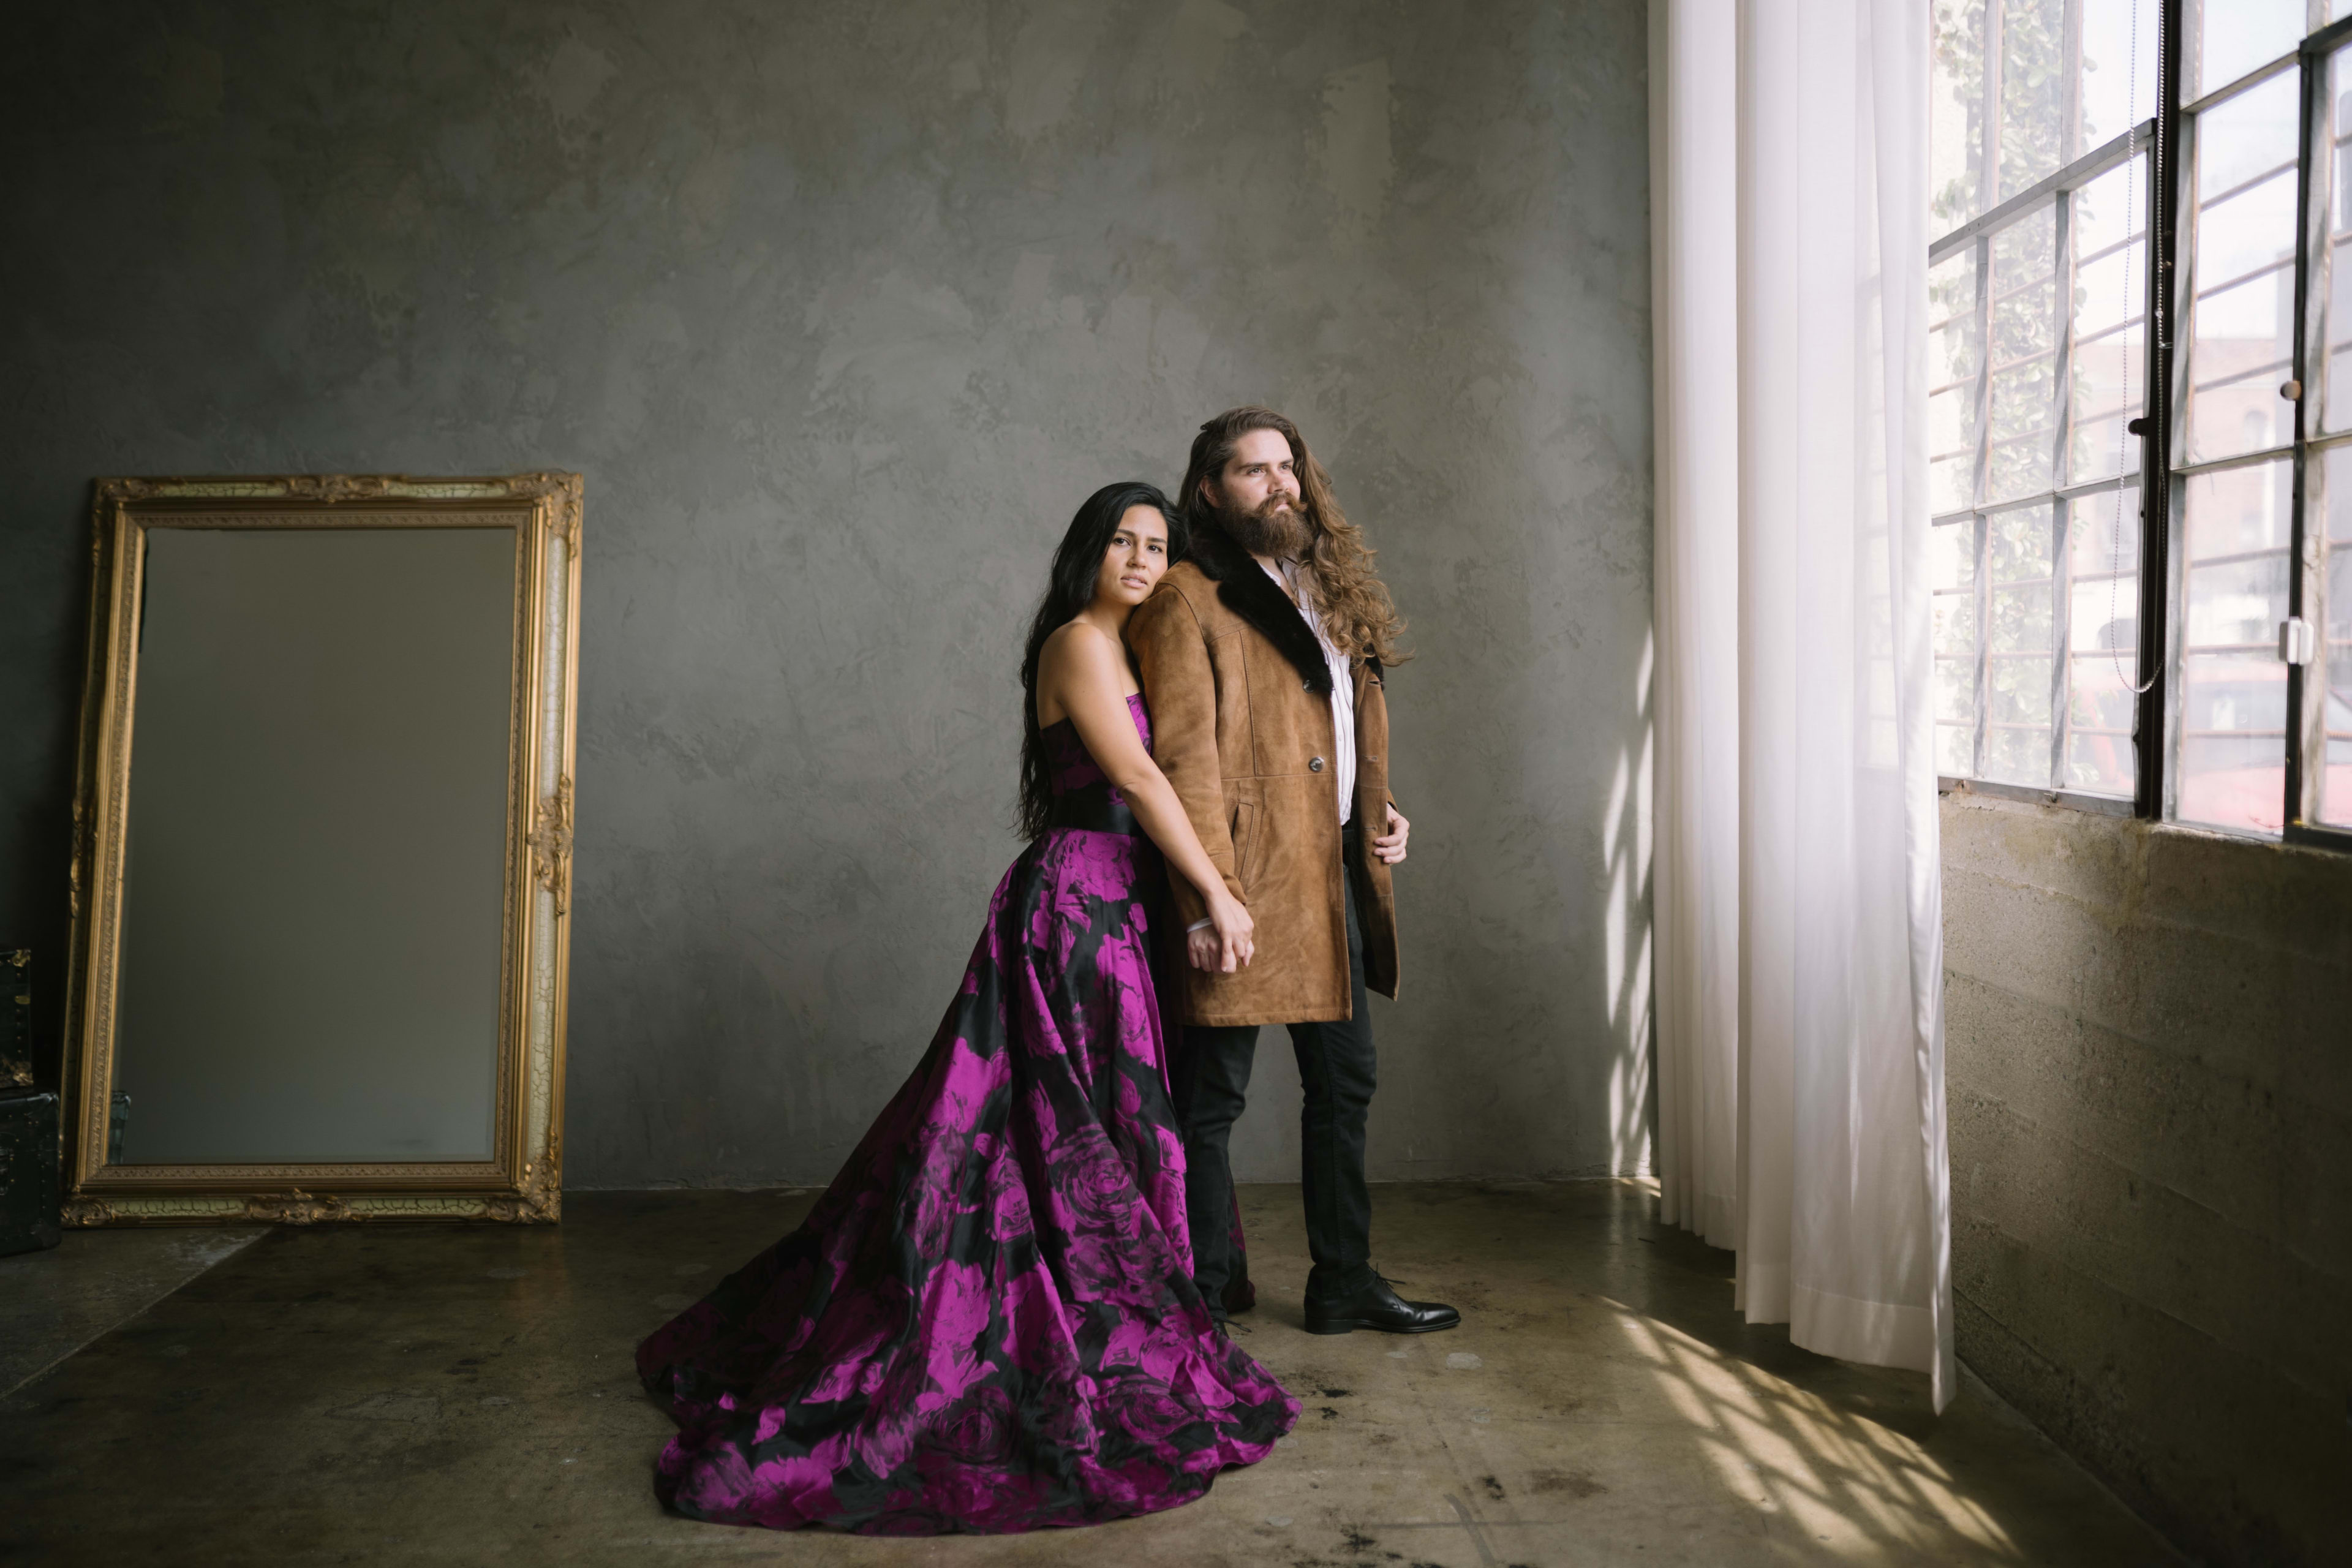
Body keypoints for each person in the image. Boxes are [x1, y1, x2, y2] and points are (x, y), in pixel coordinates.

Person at [636, 481, 1298, 1534]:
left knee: (1101, 1127)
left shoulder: (1142, 649)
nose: (1139, 559)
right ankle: (1073, 1323)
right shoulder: (1080, 642)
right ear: (1088, 551)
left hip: (1126, 904)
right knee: (1063, 1125)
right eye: (1122, 541)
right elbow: (1129, 773)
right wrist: (1219, 893)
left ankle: (1117, 1310)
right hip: (1080, 900)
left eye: (1156, 545)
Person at [1127, 407, 1460, 1338]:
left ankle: (1342, 1281)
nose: (1279, 485)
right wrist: (1207, 901)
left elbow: (1339, 732)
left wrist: (1376, 813)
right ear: (1210, 491)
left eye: (1288, 467)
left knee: (1345, 1086)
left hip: (1328, 880)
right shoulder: (1187, 598)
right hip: (1243, 885)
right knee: (1212, 1099)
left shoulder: (1325, 585)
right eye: (1252, 471)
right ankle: (1200, 1292)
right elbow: (1184, 765)